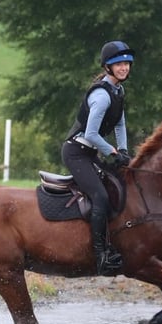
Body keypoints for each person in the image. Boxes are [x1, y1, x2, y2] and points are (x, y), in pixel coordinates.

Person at [62, 40, 134, 276]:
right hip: (76, 153)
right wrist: (111, 152)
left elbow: (120, 123)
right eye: (119, 64)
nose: (124, 68)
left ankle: (114, 243)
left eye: (126, 63)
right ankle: (100, 254)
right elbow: (91, 134)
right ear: (108, 67)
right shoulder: (102, 96)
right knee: (101, 195)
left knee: (117, 188)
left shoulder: (118, 91)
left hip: (90, 152)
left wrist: (123, 150)